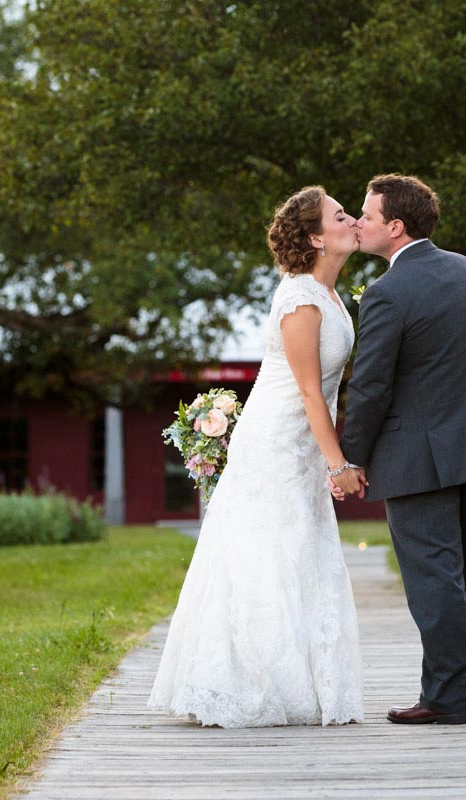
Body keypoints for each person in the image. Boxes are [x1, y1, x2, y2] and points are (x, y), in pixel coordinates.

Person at [148, 186, 366, 728]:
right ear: (317, 237)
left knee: (301, 547)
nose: (353, 219)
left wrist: (330, 459)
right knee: (266, 550)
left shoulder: (332, 294)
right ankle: (246, 681)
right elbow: (311, 392)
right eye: (341, 215)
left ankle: (306, 682)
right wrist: (338, 463)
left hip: (302, 442)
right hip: (276, 441)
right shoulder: (299, 299)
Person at [338, 173, 466, 725]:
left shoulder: (388, 293)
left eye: (367, 216)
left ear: (395, 227)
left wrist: (352, 457)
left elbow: (370, 387)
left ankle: (444, 697)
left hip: (416, 456)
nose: (359, 223)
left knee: (435, 573)